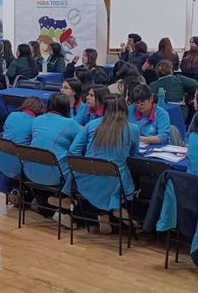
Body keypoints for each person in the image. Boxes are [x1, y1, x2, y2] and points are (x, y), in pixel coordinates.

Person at [69, 96, 138, 234]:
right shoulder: (132, 128)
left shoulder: (92, 124)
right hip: (115, 181)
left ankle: (102, 214)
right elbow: (133, 154)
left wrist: (84, 164)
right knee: (133, 178)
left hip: (86, 178)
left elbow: (73, 150)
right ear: (125, 110)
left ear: (104, 109)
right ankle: (116, 209)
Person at [27, 93, 84, 226]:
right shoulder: (70, 123)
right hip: (54, 175)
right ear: (66, 107)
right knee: (81, 168)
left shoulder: (37, 120)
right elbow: (83, 139)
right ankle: (68, 205)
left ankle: (44, 201)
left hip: (30, 171)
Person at [0, 97, 44, 204]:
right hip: (20, 166)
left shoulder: (12, 115)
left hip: (1, 161)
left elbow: (5, 131)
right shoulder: (36, 122)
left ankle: (16, 190)